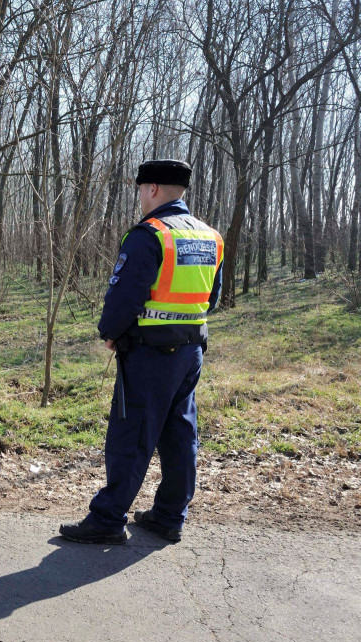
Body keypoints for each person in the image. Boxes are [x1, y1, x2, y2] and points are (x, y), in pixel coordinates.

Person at [60, 159, 224, 544]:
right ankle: (169, 515)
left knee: (132, 433)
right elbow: (210, 298)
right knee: (180, 433)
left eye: (139, 190)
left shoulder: (150, 235)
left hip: (151, 355)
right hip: (190, 351)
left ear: (151, 188)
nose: (139, 197)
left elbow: (125, 295)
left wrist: (111, 332)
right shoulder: (210, 236)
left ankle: (107, 518)